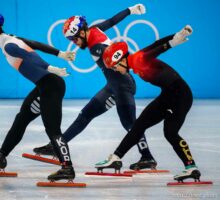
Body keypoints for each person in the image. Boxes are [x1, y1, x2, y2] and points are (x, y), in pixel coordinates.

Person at [33, 4, 157, 170]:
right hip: (113, 86)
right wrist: (130, 10)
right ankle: (56, 146)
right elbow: (112, 21)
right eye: (71, 40)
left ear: (82, 31)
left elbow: (124, 60)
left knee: (130, 124)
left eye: (74, 38)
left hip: (122, 87)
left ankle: (147, 156)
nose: (74, 43)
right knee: (85, 115)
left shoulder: (98, 47)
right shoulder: (95, 29)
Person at [0, 11, 78, 181]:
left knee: (52, 129)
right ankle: (1, 157)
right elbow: (34, 44)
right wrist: (59, 53)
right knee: (21, 119)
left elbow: (31, 55)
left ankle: (67, 168)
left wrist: (49, 67)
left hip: (51, 85)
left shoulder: (9, 45)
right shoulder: (9, 39)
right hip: (44, 86)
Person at [96, 25, 201, 181]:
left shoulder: (137, 61)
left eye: (115, 66)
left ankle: (191, 166)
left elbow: (157, 50)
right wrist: (177, 34)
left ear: (121, 60)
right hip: (172, 93)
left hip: (178, 95)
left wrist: (172, 43)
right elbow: (156, 44)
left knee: (166, 131)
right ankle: (116, 157)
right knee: (144, 126)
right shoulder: (134, 58)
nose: (116, 70)